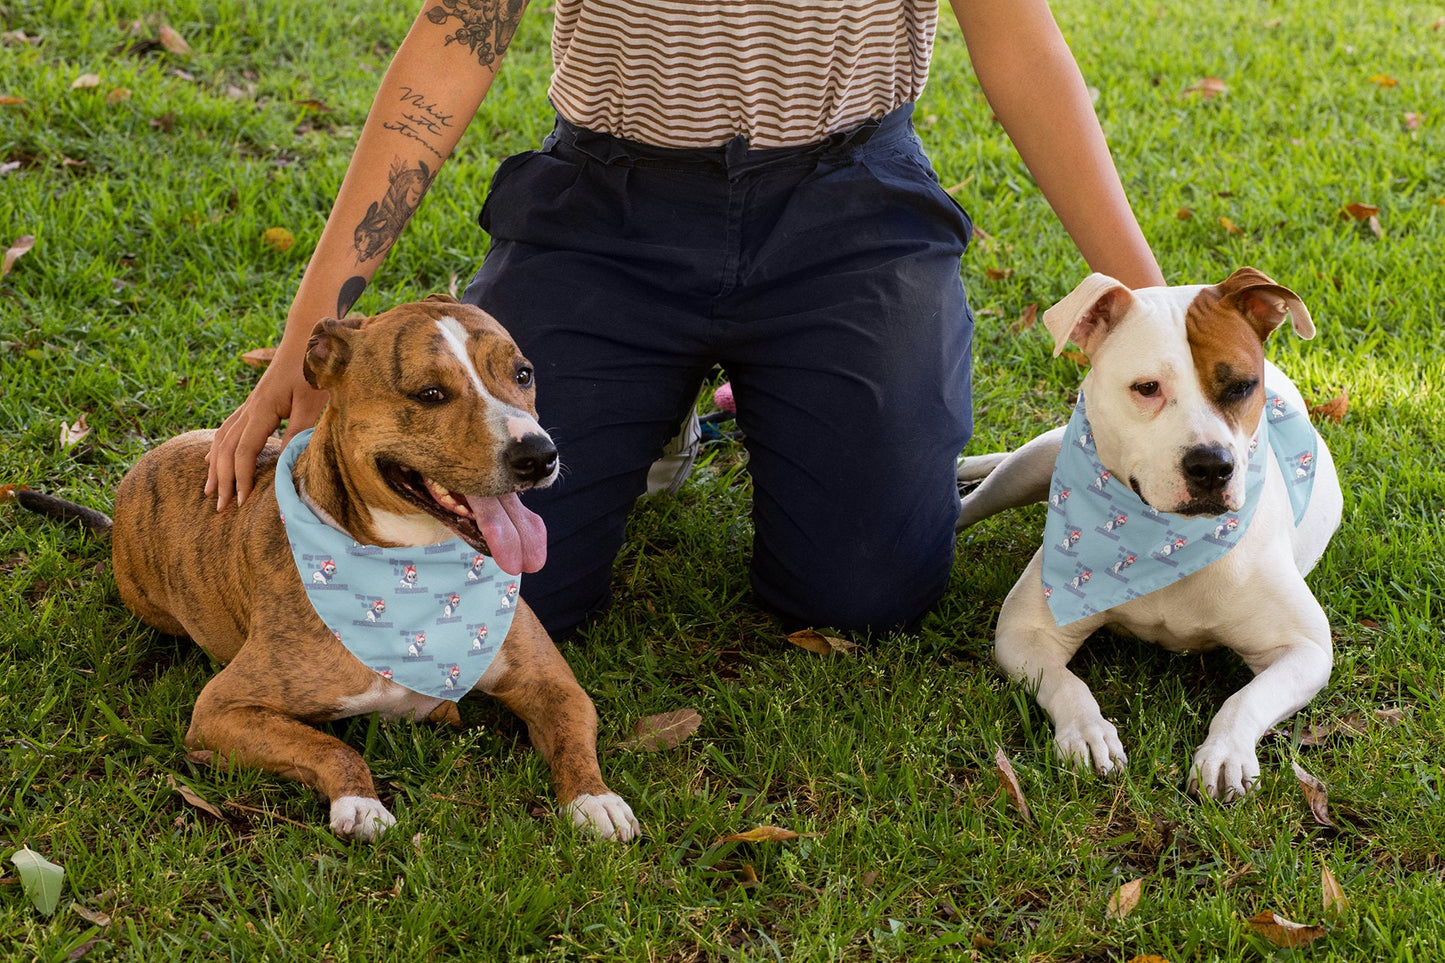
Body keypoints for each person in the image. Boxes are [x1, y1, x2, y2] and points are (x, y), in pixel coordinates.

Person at [206, 0, 1165, 639]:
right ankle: (660, 405)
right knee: (502, 592)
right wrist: (308, 336)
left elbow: (1018, 42)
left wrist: (1157, 314)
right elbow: (455, 41)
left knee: (863, 599)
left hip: (849, 210)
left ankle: (765, 389)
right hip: (608, 209)